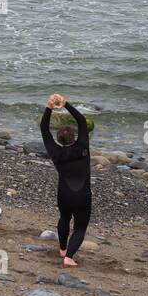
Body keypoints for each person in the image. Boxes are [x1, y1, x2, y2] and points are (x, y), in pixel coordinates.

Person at [40, 93, 92, 266]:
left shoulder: (56, 152)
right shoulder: (83, 146)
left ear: (58, 140)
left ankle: (63, 249)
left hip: (64, 195)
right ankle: (69, 257)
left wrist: (49, 107)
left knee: (64, 218)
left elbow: (44, 129)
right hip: (83, 196)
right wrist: (65, 104)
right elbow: (82, 120)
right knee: (79, 228)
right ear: (74, 137)